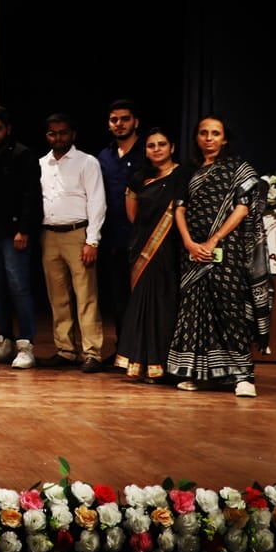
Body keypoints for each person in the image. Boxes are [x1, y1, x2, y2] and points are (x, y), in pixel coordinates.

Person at [167, 115, 273, 398]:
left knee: (229, 309)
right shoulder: (188, 171)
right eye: (203, 133)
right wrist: (190, 243)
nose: (209, 138)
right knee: (196, 312)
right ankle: (203, 376)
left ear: (224, 139)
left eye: (215, 133)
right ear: (197, 137)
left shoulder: (238, 169)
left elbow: (242, 208)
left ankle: (243, 376)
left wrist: (214, 240)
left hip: (227, 250)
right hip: (192, 252)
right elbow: (179, 209)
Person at [113, 127, 189, 382]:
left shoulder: (183, 174)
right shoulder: (140, 177)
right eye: (151, 146)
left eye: (161, 144)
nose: (156, 149)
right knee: (142, 304)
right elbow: (132, 214)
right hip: (143, 248)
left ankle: (163, 364)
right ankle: (140, 362)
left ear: (172, 147)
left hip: (171, 248)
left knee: (165, 304)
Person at [35, 112, 107, 373]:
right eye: (52, 133)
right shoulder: (41, 164)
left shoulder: (87, 162)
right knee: (58, 297)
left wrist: (92, 240)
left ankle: (92, 352)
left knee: (86, 296)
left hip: (78, 234)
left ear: (73, 134)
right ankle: (66, 350)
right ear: (47, 136)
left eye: (63, 132)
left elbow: (97, 201)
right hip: (49, 234)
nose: (58, 137)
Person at [0, 106, 41, 370]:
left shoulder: (23, 155)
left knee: (19, 287)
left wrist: (24, 229)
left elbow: (31, 195)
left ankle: (26, 345)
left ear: (8, 129)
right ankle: (5, 341)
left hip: (14, 232)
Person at [96, 99, 147, 365]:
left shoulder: (148, 151)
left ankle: (144, 352)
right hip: (113, 238)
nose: (119, 124)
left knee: (143, 297)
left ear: (135, 121)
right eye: (114, 120)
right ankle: (122, 352)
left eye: (125, 119)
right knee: (118, 299)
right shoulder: (103, 156)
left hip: (144, 237)